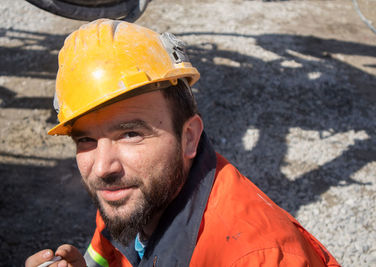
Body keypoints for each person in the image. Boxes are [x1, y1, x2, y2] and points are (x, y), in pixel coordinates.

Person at [26, 19, 340, 267]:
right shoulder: (128, 198)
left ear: (189, 137)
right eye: (86, 139)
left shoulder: (257, 258)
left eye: (131, 134)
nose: (103, 167)